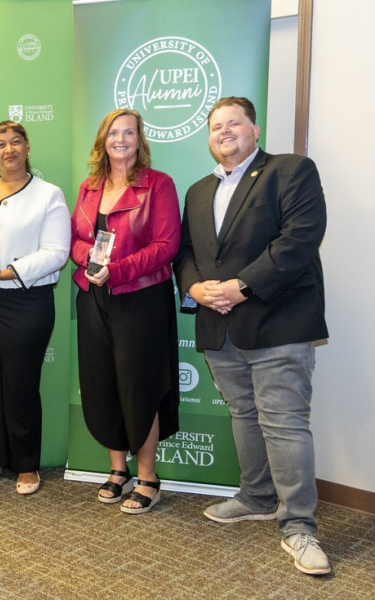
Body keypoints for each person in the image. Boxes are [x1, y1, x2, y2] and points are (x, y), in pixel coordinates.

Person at [173, 97, 330, 575]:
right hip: (220, 326)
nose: (224, 132)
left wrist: (241, 287)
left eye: (234, 124)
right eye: (215, 126)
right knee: (244, 413)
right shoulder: (199, 191)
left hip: (278, 321)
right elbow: (185, 253)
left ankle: (299, 525)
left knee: (283, 422)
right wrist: (195, 287)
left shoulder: (291, 171)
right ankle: (257, 496)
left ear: (255, 130)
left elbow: (300, 239)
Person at [70, 108, 180, 515]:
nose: (121, 139)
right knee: (103, 384)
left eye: (128, 133)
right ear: (103, 140)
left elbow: (166, 246)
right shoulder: (89, 186)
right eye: (113, 132)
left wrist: (114, 271)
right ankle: (119, 470)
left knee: (140, 386)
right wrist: (91, 265)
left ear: (139, 139)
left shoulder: (158, 185)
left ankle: (148, 476)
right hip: (93, 296)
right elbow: (74, 240)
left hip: (140, 298)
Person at [0, 121, 69, 495]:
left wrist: (10, 272)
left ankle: (26, 464)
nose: (9, 150)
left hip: (25, 299)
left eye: (16, 142)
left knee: (20, 383)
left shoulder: (49, 195)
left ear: (27, 148)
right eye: (1, 144)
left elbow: (57, 253)